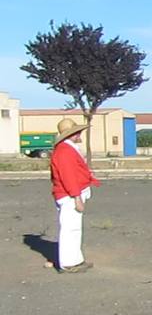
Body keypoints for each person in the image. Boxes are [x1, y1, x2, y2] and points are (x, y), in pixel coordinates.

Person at [49, 117, 101, 273]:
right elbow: (68, 176)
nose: (80, 135)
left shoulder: (66, 149)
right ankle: (68, 263)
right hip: (69, 195)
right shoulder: (65, 151)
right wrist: (76, 197)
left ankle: (74, 260)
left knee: (74, 228)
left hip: (71, 194)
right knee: (70, 229)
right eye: (77, 132)